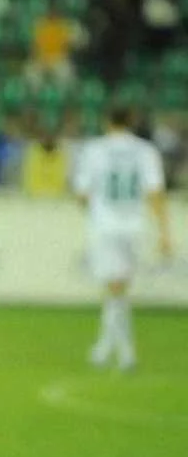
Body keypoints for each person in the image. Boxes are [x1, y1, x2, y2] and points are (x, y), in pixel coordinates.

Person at [73, 106, 173, 371]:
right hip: (134, 225)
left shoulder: (94, 150)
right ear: (131, 121)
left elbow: (81, 194)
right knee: (119, 288)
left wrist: (95, 210)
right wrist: (164, 232)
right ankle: (106, 348)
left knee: (115, 288)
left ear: (106, 120)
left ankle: (125, 353)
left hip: (105, 226)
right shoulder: (145, 151)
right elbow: (155, 192)